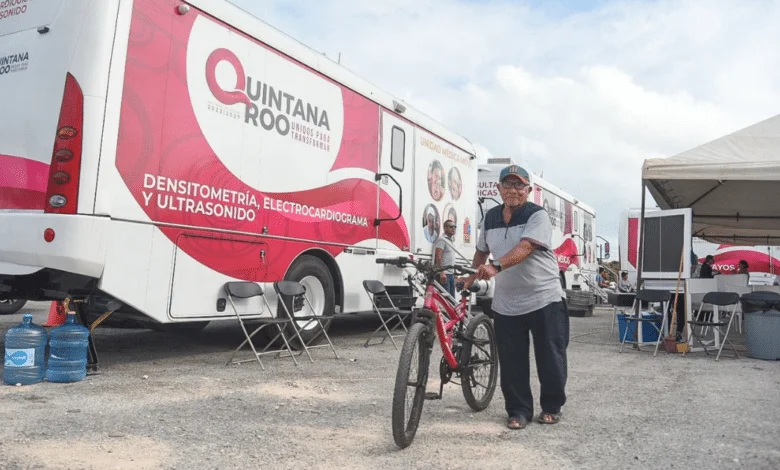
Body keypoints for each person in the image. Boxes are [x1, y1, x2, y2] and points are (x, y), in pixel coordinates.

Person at [460, 165, 569, 430]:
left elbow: (526, 247)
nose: (513, 190)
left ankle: (552, 407)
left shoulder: (537, 215)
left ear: (529, 190)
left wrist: (496, 267)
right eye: (507, 185)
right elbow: (480, 252)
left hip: (545, 298)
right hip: (507, 302)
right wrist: (470, 277)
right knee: (511, 361)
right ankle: (518, 410)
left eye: (519, 185)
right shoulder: (491, 218)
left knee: (550, 357)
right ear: (498, 189)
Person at [433, 219, 457, 298]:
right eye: (451, 227)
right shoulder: (442, 240)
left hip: (451, 274)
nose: (453, 228)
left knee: (452, 299)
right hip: (444, 274)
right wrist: (441, 272)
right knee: (446, 300)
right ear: (445, 228)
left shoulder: (451, 241)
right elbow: (438, 256)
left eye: (455, 226)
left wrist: (455, 273)